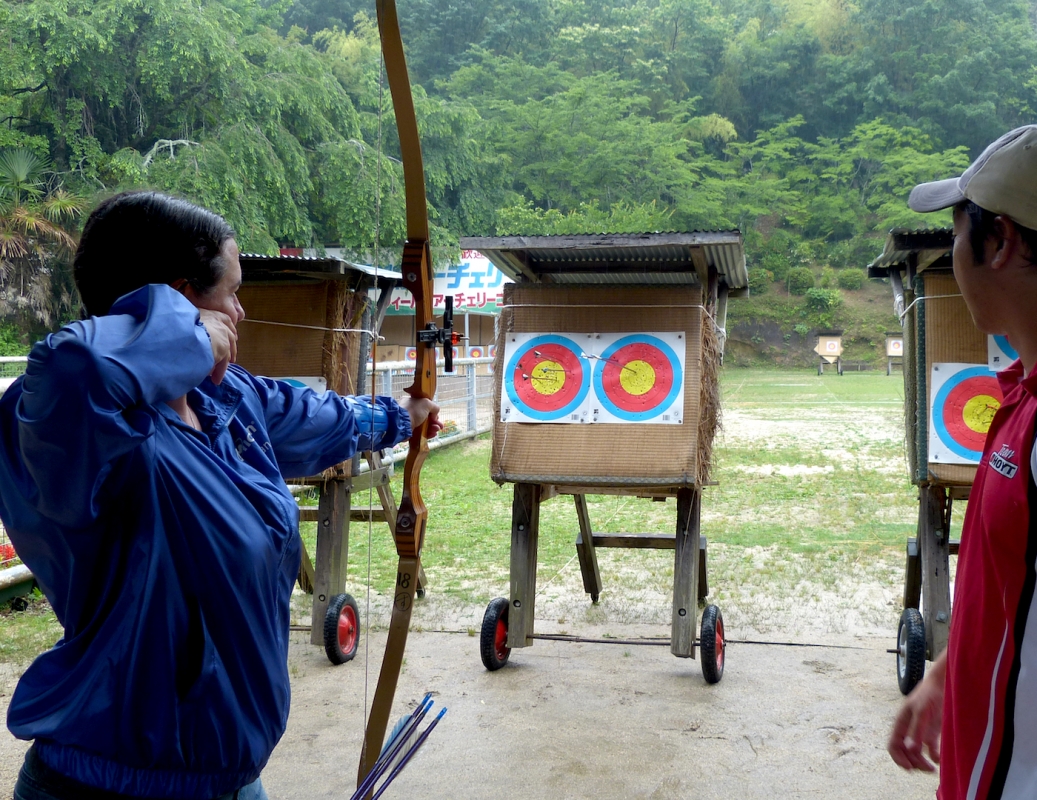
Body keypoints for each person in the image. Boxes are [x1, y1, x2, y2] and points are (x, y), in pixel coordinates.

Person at [0, 191, 440, 800]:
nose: (240, 311)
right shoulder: (71, 420)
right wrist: (192, 339)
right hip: (102, 783)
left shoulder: (226, 402)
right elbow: (73, 366)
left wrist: (400, 415)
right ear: (180, 303)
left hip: (228, 780)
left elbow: (318, 416)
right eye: (230, 294)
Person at [888, 125, 1037, 798]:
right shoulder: (1021, 396)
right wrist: (952, 670)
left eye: (955, 234)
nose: (951, 258)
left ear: (999, 240)